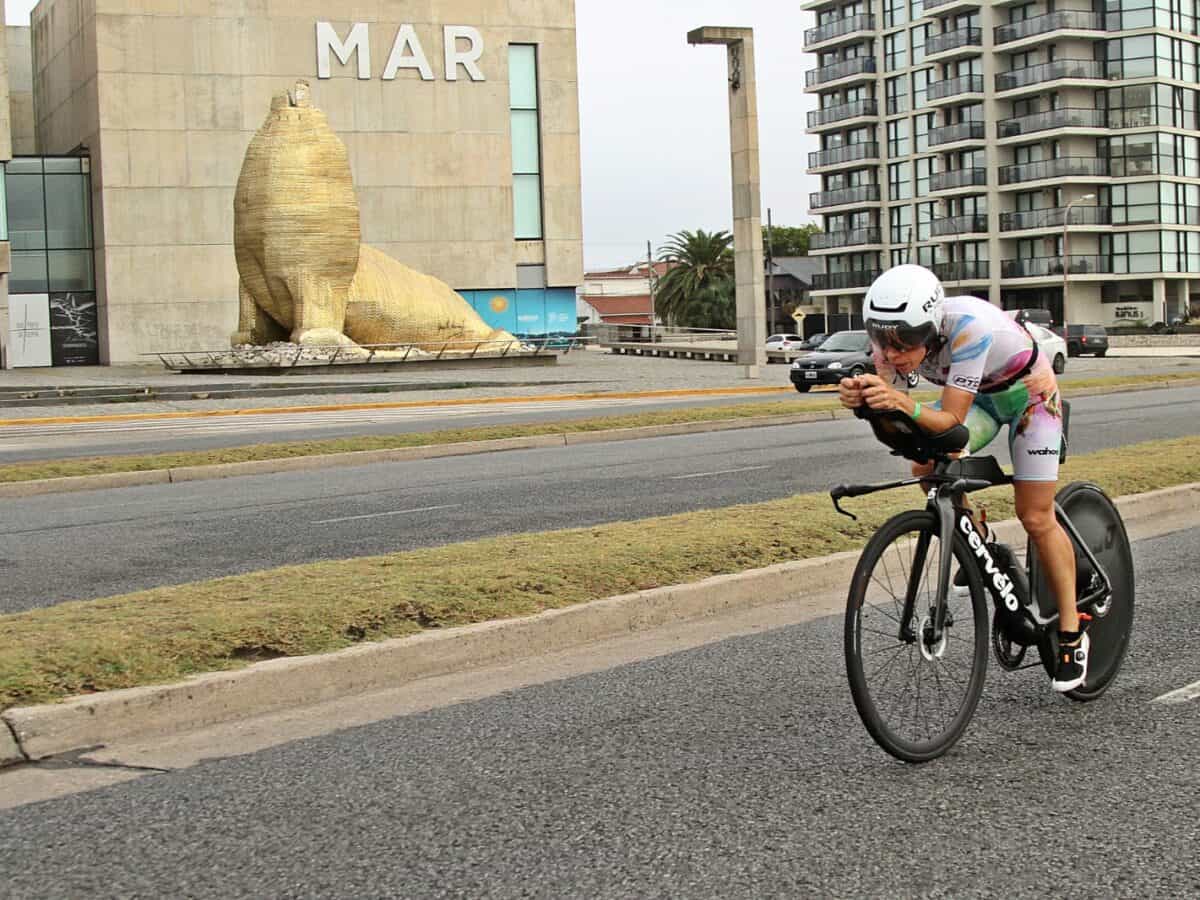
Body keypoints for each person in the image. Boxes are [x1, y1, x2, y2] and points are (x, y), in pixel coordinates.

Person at [837, 264, 1086, 692]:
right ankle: (980, 543)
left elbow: (951, 419)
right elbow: (900, 428)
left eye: (903, 343)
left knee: (1035, 515)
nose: (892, 354)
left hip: (1030, 397)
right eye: (882, 341)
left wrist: (898, 399)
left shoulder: (969, 327)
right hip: (982, 401)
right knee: (925, 464)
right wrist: (865, 402)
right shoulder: (889, 340)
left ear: (931, 328)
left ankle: (1071, 632)